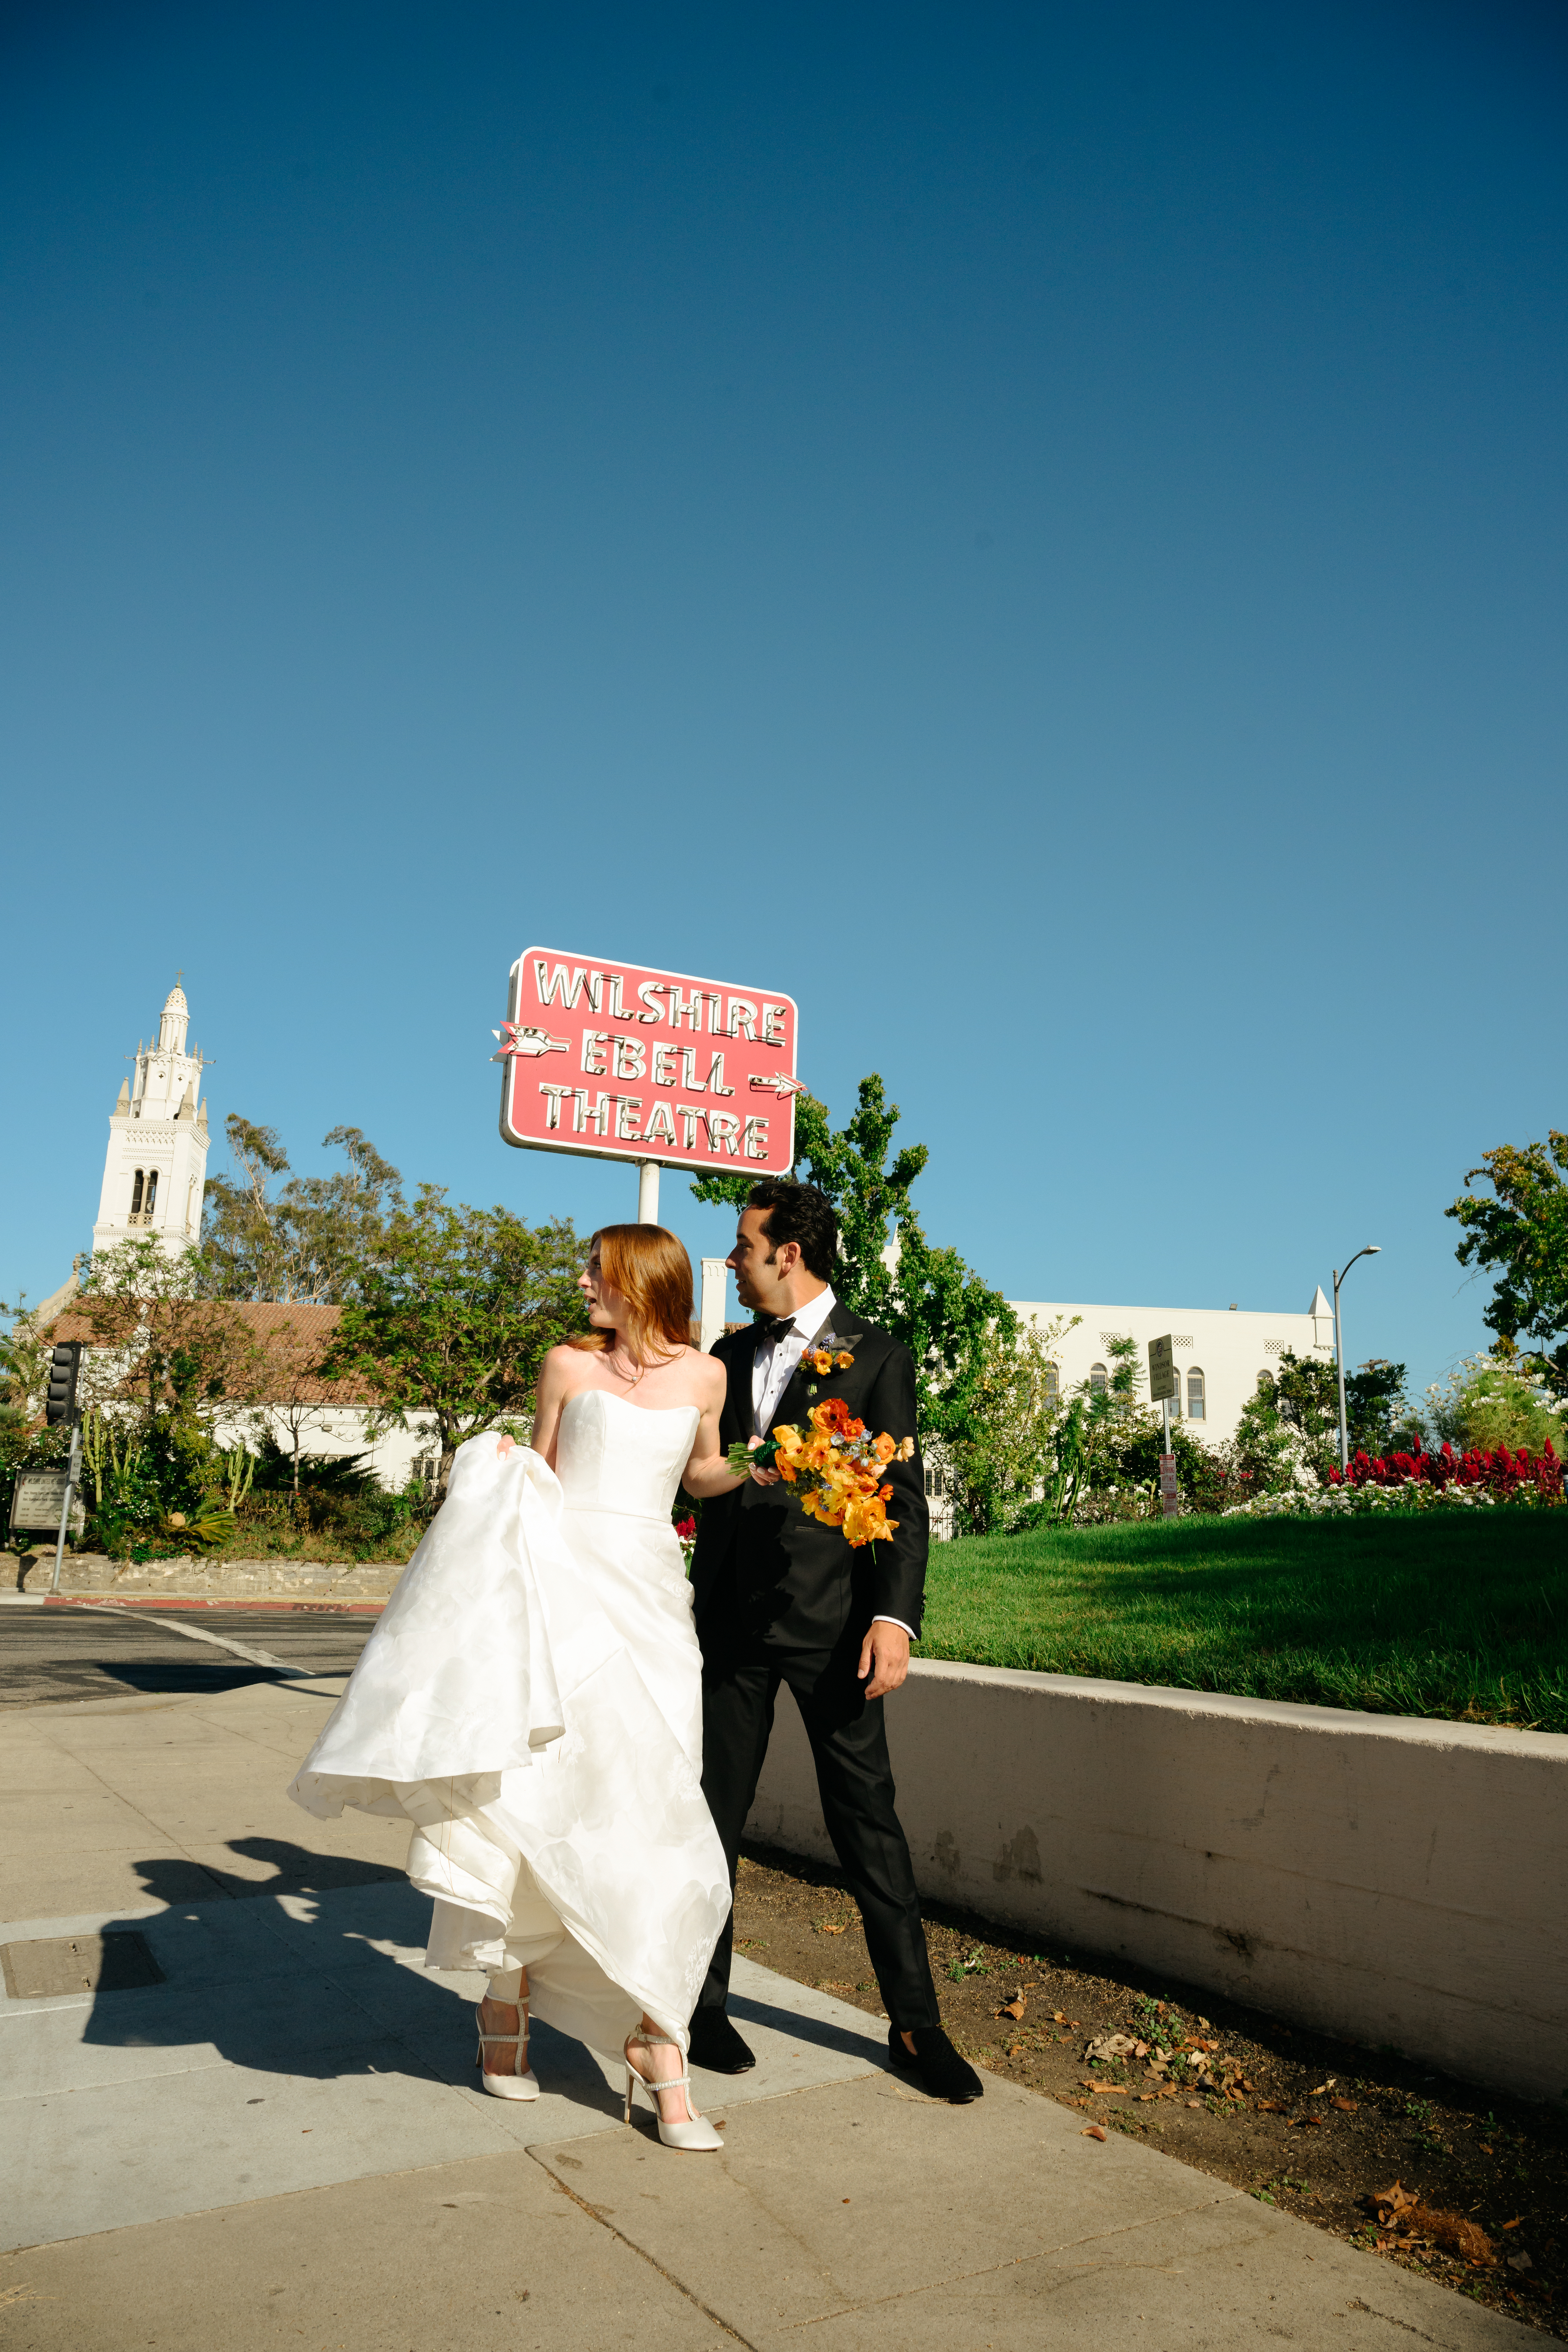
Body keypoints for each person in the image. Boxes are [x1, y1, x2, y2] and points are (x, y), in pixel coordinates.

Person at [288, 1224, 753, 2152]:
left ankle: (654, 2026)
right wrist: (493, 1470)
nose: (582, 1282)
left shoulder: (707, 1376)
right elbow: (539, 1474)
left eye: (597, 1271)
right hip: (562, 1593)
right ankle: (511, 2005)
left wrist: (768, 1464)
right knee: (537, 1796)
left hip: (655, 1604)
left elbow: (700, 1472)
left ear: (637, 1282)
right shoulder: (565, 1366)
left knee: (653, 1808)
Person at [688, 1177, 983, 2104]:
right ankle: (701, 2008)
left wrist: (895, 1620)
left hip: (837, 1631)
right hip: (729, 1626)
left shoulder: (876, 1354)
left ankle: (915, 2025)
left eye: (743, 1246)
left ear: (790, 1253)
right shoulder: (725, 1356)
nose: (731, 1261)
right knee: (708, 1823)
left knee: (870, 1824)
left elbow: (902, 1502)